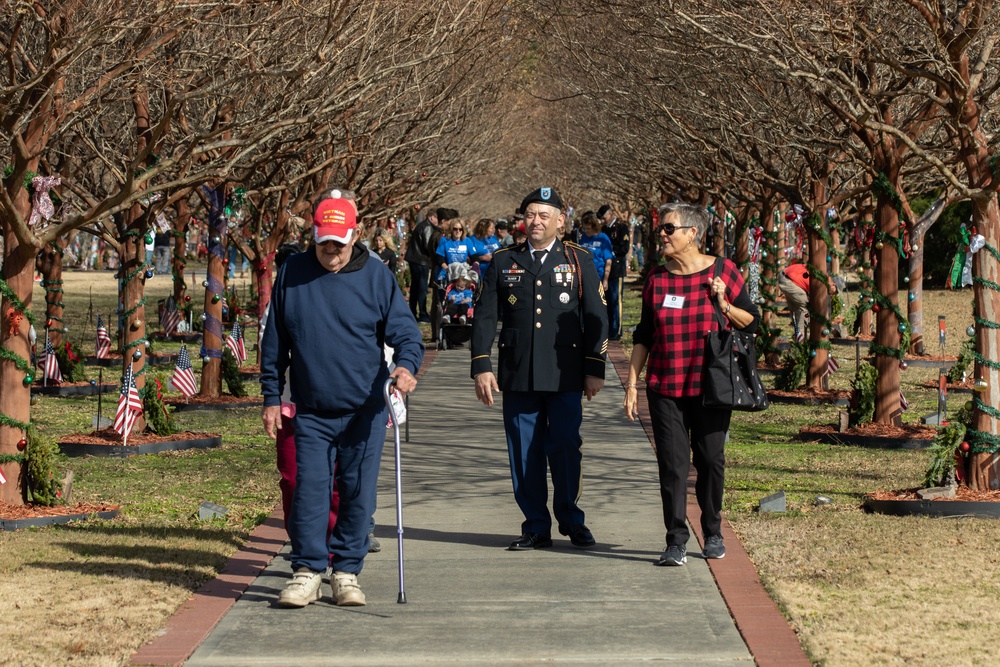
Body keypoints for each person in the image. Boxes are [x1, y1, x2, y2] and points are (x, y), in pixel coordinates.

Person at [260, 192, 423, 608]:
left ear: (356, 235)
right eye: (323, 243)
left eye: (339, 243)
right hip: (311, 408)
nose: (331, 252)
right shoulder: (293, 272)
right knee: (309, 490)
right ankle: (307, 571)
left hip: (365, 410)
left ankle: (347, 571)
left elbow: (405, 333)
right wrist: (271, 396)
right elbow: (275, 343)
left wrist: (405, 366)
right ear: (313, 236)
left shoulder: (377, 276)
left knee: (356, 493)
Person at [471, 187, 608, 551]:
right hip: (518, 373)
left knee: (565, 446)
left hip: (566, 371)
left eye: (544, 215)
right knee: (524, 450)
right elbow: (485, 317)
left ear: (560, 222)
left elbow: (596, 316)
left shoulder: (578, 260)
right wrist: (481, 366)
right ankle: (535, 525)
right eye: (530, 214)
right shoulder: (503, 260)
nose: (535, 221)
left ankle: (571, 519)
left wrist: (596, 367)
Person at [622, 203, 759, 567]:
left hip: (712, 387)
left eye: (669, 229)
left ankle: (712, 530)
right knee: (673, 465)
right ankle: (675, 540)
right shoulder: (656, 278)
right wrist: (632, 384)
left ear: (692, 233)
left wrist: (724, 303)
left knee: (711, 460)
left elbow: (752, 323)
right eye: (660, 230)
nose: (662, 235)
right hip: (665, 386)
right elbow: (644, 335)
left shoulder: (723, 270)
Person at [432, 210, 470, 341]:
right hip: (447, 274)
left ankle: (461, 326)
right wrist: (447, 268)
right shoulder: (444, 241)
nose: (458, 231)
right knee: (441, 304)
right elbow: (439, 258)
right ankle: (437, 334)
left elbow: (475, 257)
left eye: (460, 229)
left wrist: (473, 266)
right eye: (455, 229)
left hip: (462, 277)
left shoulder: (467, 241)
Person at [599, 204, 632, 340]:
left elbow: (624, 247)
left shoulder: (621, 228)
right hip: (604, 269)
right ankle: (607, 329)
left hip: (616, 269)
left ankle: (616, 330)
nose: (602, 219)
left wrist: (610, 251)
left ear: (610, 214)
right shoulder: (603, 229)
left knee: (615, 300)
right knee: (606, 301)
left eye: (604, 216)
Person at [403, 208, 438, 322]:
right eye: (437, 218)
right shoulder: (427, 227)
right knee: (421, 288)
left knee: (415, 287)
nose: (438, 221)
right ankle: (422, 313)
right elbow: (428, 245)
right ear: (432, 217)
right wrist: (435, 256)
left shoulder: (423, 225)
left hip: (416, 259)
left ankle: (412, 312)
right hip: (420, 260)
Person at [578, 211, 614, 289]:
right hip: (584, 276)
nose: (586, 231)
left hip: (598, 276)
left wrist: (605, 279)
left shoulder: (603, 238)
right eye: (584, 228)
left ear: (594, 227)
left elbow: (608, 261)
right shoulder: (583, 238)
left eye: (588, 228)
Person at [777, 261, 810, 341]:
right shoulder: (821, 281)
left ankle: (797, 334)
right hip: (790, 280)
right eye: (834, 292)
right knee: (805, 308)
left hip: (785, 276)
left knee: (795, 308)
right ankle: (801, 337)